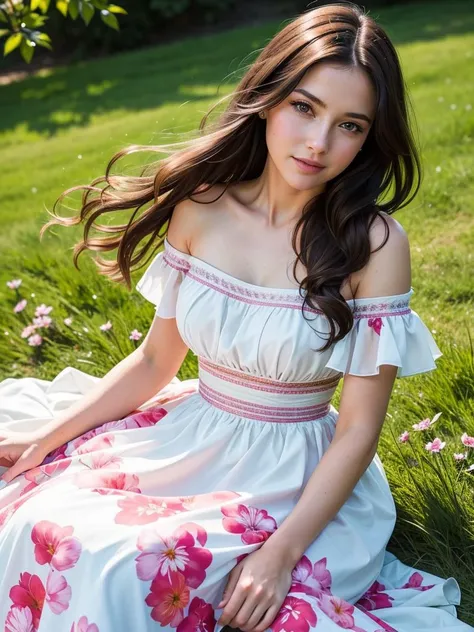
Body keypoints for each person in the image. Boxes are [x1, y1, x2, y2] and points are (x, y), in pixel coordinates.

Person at [0, 2, 471, 631]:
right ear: (270, 97)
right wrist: (48, 435)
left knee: (132, 568)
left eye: (350, 125)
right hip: (191, 437)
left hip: (294, 478)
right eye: (304, 107)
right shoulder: (203, 206)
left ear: (370, 136)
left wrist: (281, 554)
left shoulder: (376, 245)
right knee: (46, 524)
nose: (318, 142)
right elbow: (154, 361)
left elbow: (359, 430)